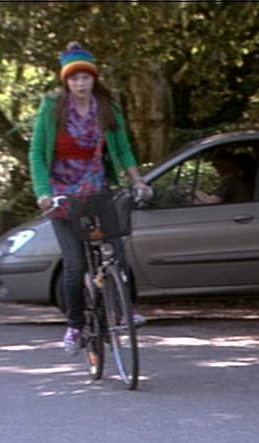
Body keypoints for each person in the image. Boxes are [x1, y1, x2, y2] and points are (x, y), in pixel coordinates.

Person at [29, 41, 150, 355]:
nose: (80, 84)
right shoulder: (52, 108)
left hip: (97, 188)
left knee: (117, 251)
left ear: (94, 78)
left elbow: (123, 149)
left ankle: (122, 311)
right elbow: (37, 154)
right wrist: (43, 193)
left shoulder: (107, 108)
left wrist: (137, 181)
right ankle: (75, 326)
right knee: (74, 264)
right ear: (66, 81)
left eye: (85, 77)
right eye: (74, 78)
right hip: (62, 193)